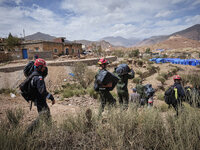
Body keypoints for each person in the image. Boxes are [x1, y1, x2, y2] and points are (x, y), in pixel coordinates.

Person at [26, 58, 55, 134]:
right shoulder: (39, 78)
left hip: (37, 100)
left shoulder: (33, 75)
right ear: (39, 67)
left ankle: (50, 131)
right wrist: (51, 97)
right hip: (40, 101)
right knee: (44, 116)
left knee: (45, 116)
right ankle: (29, 132)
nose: (44, 68)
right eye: (43, 67)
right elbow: (42, 92)